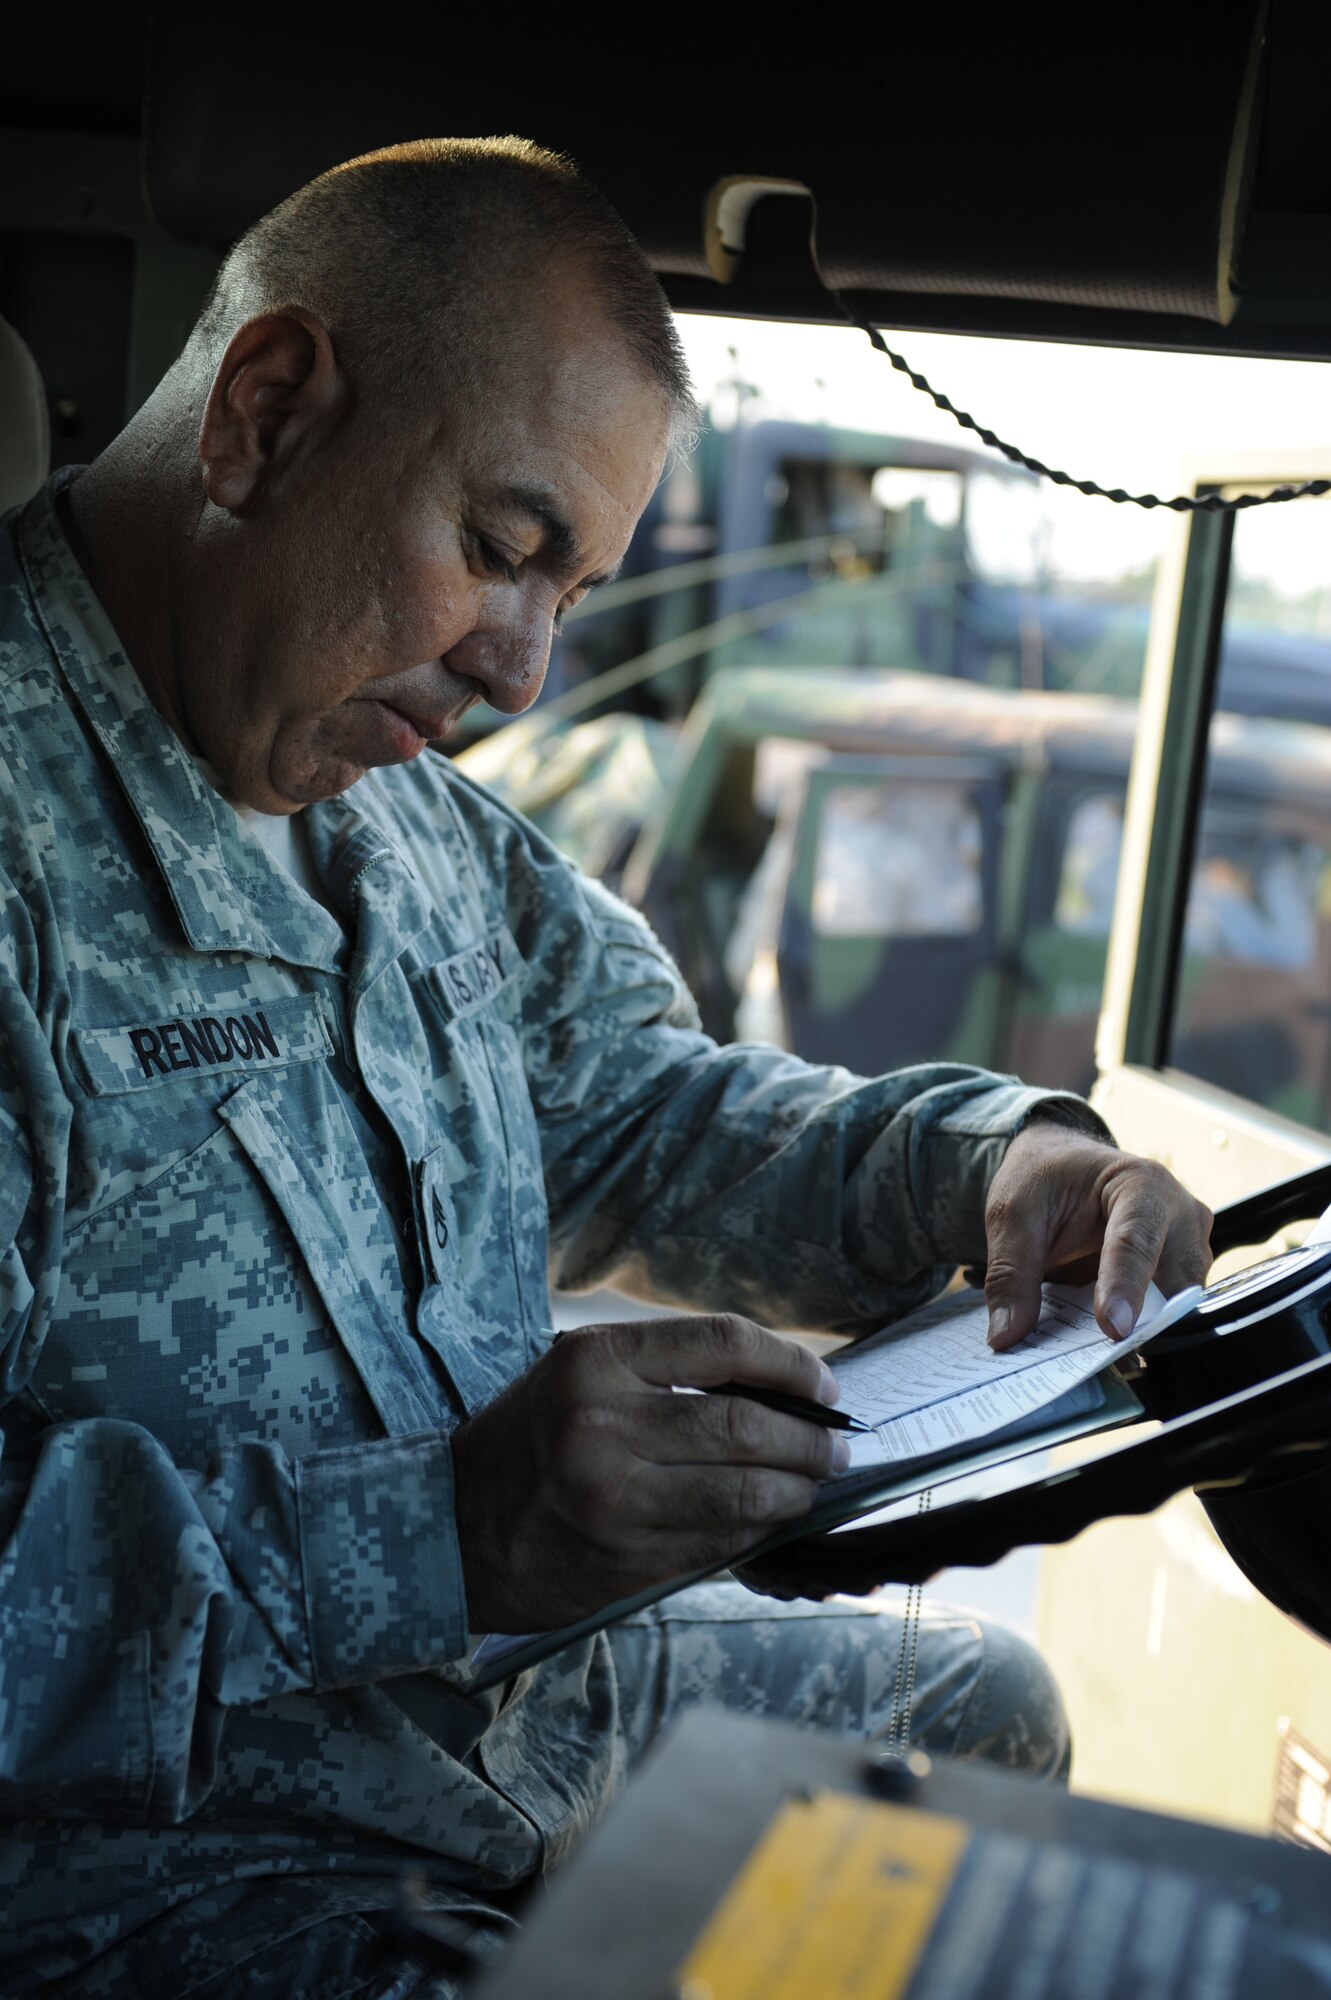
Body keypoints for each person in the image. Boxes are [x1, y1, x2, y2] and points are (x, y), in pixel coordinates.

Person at [0, 138, 1211, 1997]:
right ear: (265, 414)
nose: (525, 674)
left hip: (515, 1707)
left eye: (572, 588)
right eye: (501, 550)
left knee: (984, 1725)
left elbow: (650, 1109)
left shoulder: (393, 810)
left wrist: (981, 1164)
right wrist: (438, 1532)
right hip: (161, 1861)